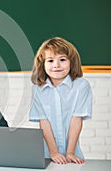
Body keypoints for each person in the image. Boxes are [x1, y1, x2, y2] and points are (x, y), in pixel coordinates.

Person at [29, 37, 92, 165]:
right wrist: (53, 152)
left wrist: (70, 153)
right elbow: (44, 122)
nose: (56, 65)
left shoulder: (81, 86)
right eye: (50, 60)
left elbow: (76, 121)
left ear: (71, 62)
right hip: (46, 155)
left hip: (73, 153)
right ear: (43, 64)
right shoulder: (37, 89)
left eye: (62, 60)